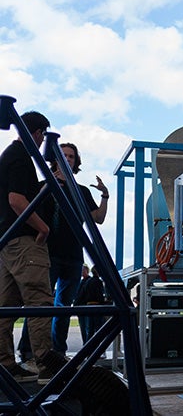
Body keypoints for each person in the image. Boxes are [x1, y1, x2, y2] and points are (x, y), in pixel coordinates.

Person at [0, 111, 54, 383]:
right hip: (24, 241)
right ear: (38, 134)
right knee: (40, 302)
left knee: (5, 307)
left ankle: (6, 365)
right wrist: (42, 227)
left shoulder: (6, 156)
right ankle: (47, 365)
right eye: (43, 135)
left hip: (6, 243)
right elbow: (16, 200)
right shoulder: (21, 158)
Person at [47, 142, 109, 354]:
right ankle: (32, 353)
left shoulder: (81, 191)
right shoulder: (45, 186)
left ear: (76, 162)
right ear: (55, 159)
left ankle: (58, 352)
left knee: (63, 308)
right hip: (48, 254)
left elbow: (98, 218)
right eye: (63, 155)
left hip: (73, 256)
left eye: (71, 156)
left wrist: (105, 195)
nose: (67, 159)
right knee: (41, 304)